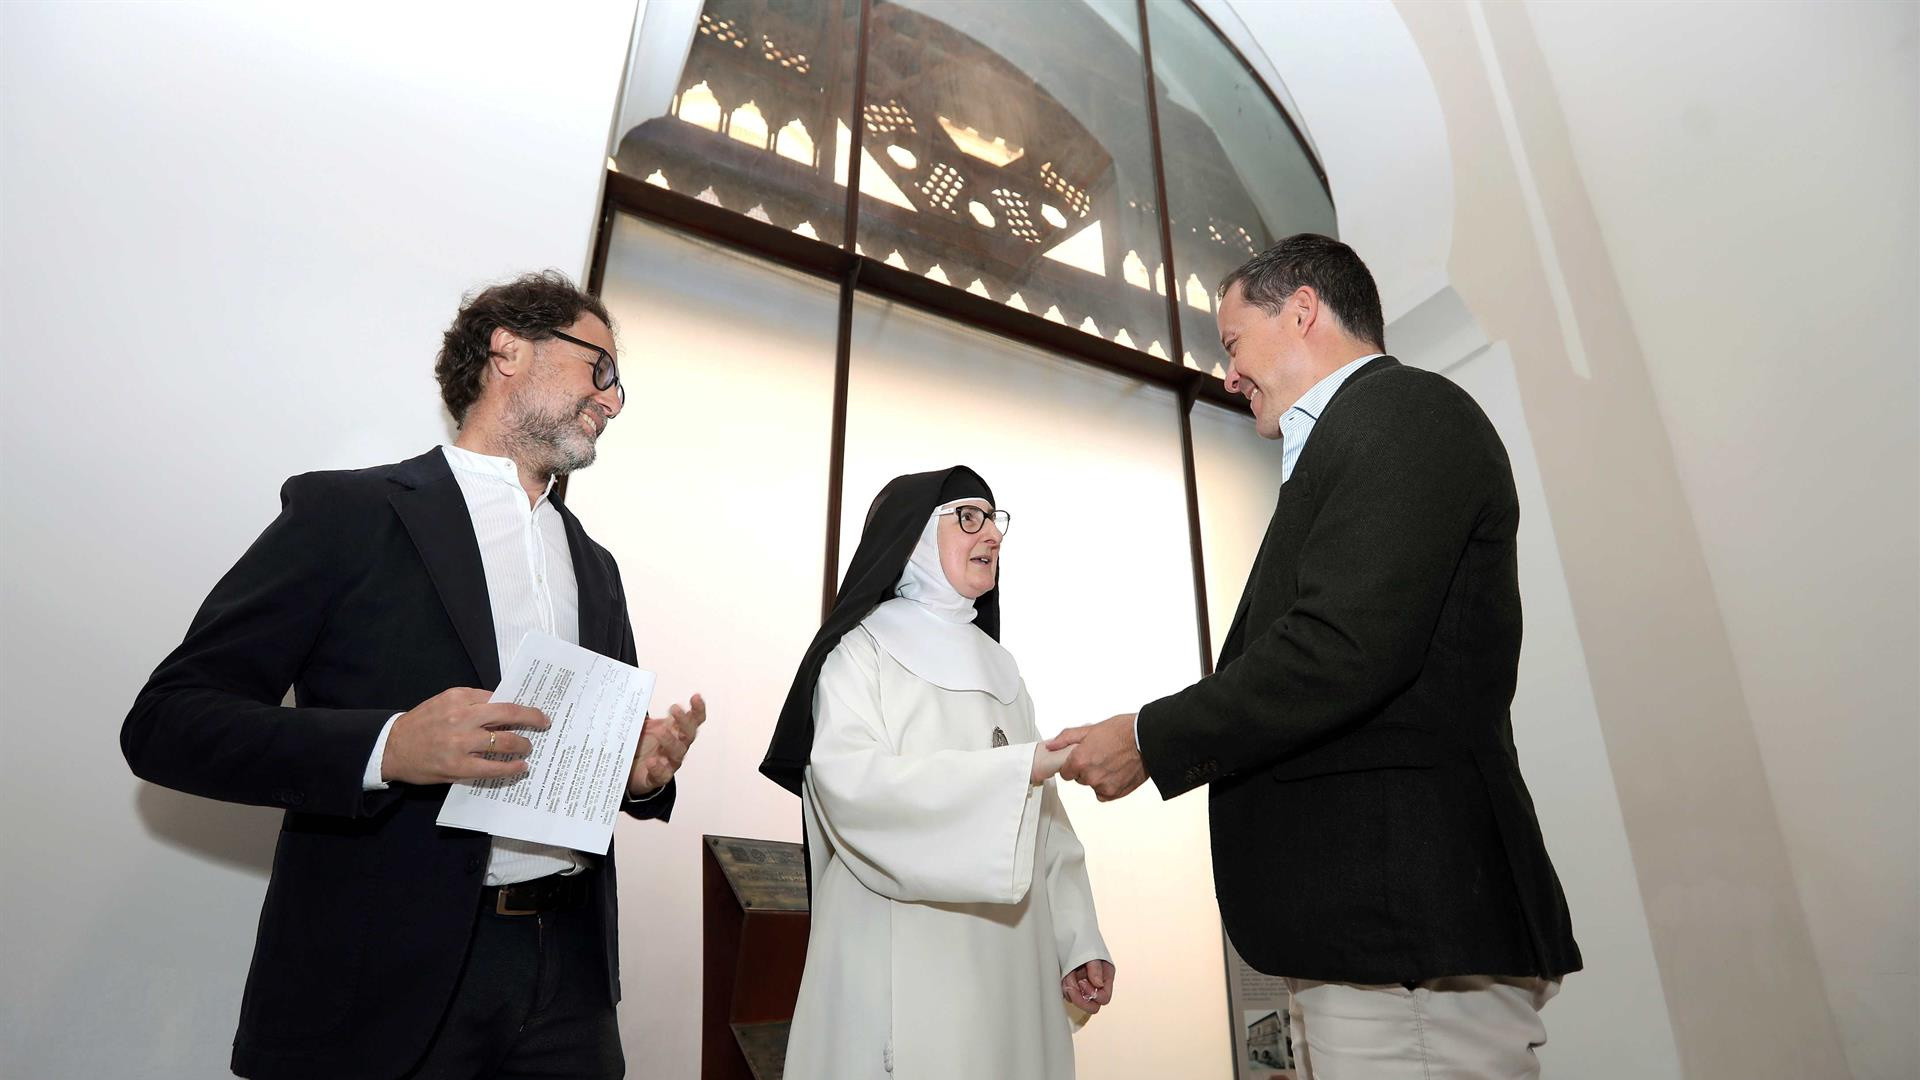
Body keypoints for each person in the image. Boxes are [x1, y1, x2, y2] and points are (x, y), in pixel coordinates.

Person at [121, 271, 705, 1080]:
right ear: (507, 350)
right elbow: (168, 723)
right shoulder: (349, 515)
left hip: (569, 979)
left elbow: (579, 763)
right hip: (382, 981)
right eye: (598, 368)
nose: (611, 401)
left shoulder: (595, 569)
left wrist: (632, 773)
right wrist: (388, 746)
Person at [1049, 235, 1581, 1076]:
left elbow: (1341, 646)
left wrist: (1149, 739)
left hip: (1404, 930)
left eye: (1232, 343)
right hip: (1374, 941)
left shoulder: (1406, 411)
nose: (1227, 376)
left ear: (1302, 310)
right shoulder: (1356, 440)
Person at [762, 467, 1113, 1080]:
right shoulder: (860, 653)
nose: (992, 536)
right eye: (969, 517)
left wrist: (1077, 939)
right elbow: (854, 790)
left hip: (1012, 960)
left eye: (994, 519)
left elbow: (1045, 821)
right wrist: (1017, 770)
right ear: (916, 538)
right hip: (904, 950)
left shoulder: (1002, 667)